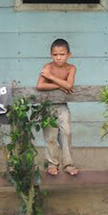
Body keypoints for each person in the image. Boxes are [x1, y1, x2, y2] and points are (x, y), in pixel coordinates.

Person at [36, 38, 79, 176]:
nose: (58, 58)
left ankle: (68, 164)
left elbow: (69, 85)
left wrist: (52, 78)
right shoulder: (48, 67)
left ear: (69, 55)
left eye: (62, 54)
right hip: (47, 106)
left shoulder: (71, 68)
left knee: (66, 133)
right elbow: (40, 86)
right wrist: (60, 85)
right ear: (51, 55)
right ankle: (52, 164)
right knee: (50, 135)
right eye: (55, 55)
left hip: (62, 106)